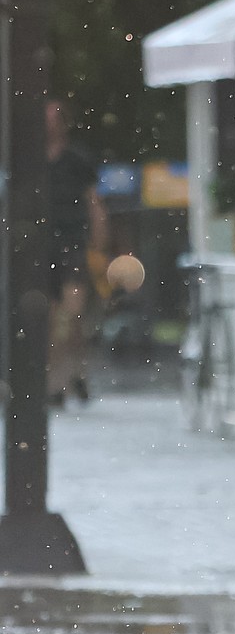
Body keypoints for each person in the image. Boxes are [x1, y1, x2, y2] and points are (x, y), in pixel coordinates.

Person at [46, 101, 108, 408]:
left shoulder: (77, 161)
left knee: (70, 316)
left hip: (71, 244)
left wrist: (98, 242)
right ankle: (59, 379)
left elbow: (94, 203)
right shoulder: (30, 161)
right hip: (44, 246)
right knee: (53, 318)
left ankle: (71, 374)